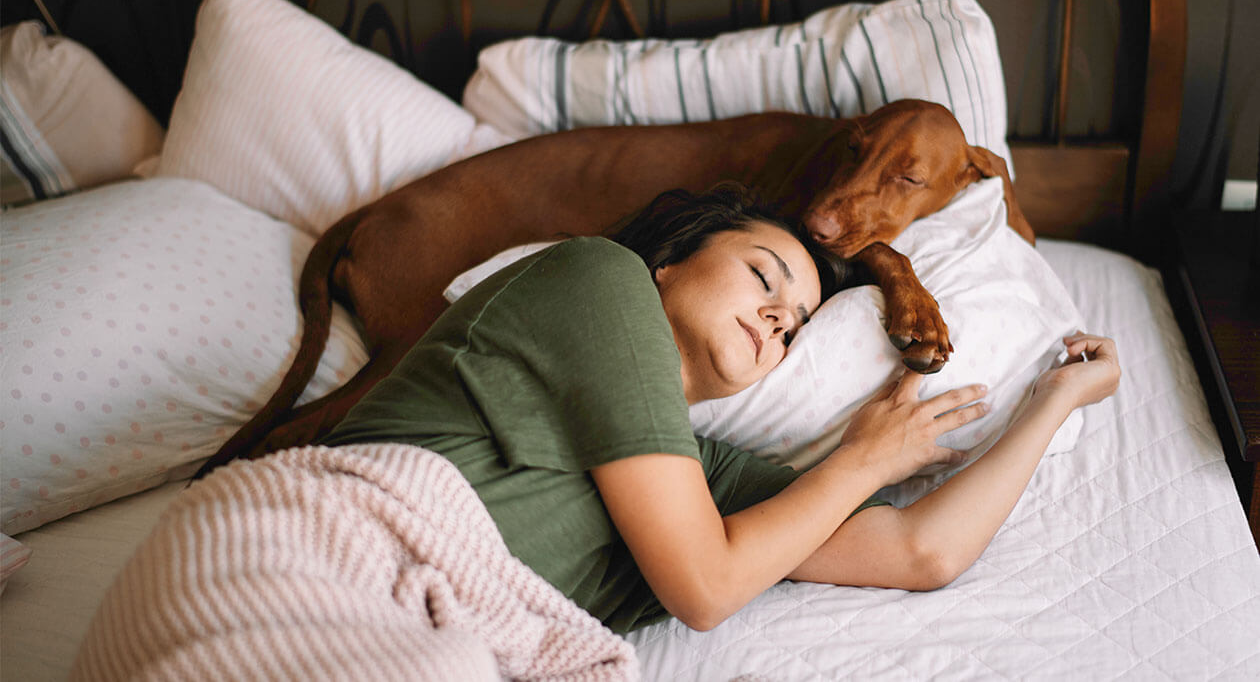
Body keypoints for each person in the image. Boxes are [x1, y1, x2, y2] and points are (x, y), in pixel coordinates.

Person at [318, 183, 1121, 634]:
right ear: (670, 262)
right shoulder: (599, 279)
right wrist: (864, 461)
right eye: (764, 276)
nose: (779, 319)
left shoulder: (701, 487)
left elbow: (923, 552)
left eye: (796, 327)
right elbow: (704, 587)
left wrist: (1055, 400)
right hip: (327, 556)